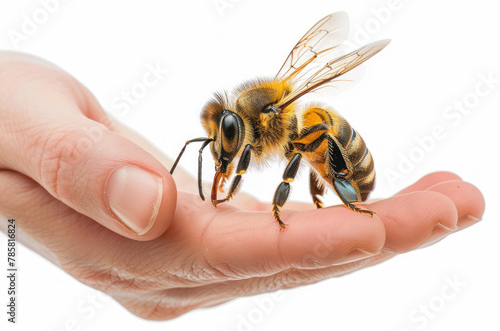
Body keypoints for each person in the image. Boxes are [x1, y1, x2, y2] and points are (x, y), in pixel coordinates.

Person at [0, 51, 485, 320]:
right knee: (303, 146)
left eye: (227, 138)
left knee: (312, 139)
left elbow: (296, 147)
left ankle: (341, 197)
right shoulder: (244, 126)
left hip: (334, 147)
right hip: (308, 142)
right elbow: (243, 150)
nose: (223, 148)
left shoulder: (271, 118)